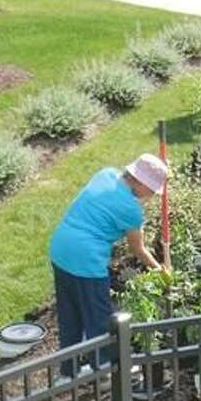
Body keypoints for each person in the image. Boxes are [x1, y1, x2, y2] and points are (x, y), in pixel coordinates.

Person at [49, 154, 168, 377]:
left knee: (70, 315)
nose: (151, 197)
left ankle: (68, 372)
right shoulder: (131, 210)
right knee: (99, 317)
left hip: (61, 249)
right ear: (141, 183)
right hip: (86, 260)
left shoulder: (105, 174)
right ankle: (104, 370)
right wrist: (160, 271)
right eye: (152, 191)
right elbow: (138, 249)